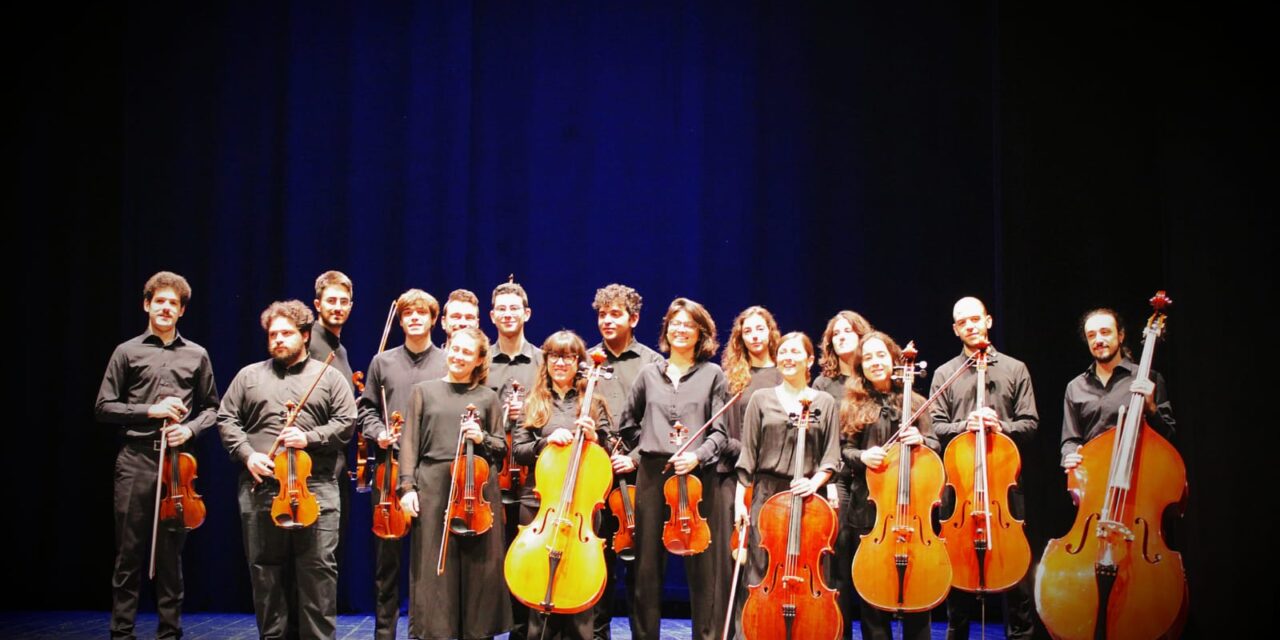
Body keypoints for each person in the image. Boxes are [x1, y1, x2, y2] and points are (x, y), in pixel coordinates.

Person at [217, 300, 357, 639]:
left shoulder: (328, 377)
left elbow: (347, 423)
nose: (278, 339)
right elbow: (226, 419)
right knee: (266, 575)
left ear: (305, 335)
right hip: (262, 489)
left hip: (317, 489)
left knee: (318, 576)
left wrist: (307, 437)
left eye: (286, 333)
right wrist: (247, 454)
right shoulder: (249, 376)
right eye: (273, 334)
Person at [95, 271, 220, 640]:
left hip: (178, 464)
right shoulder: (127, 351)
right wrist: (151, 410)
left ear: (181, 311)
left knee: (170, 556)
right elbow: (103, 406)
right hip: (135, 460)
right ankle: (122, 632)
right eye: (159, 301)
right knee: (129, 553)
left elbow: (212, 408)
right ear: (147, 305)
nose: (166, 308)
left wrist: (190, 428)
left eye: (173, 303)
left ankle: (170, 633)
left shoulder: (197, 354)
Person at [616, 297, 728, 640]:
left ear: (701, 332)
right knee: (647, 570)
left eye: (688, 324)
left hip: (696, 477)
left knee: (702, 572)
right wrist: (649, 445)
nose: (680, 330)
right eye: (674, 323)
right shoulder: (649, 374)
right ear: (666, 329)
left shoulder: (713, 375)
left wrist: (698, 455)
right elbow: (627, 424)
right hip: (653, 475)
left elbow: (720, 433)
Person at [929, 297, 1039, 640]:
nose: (971, 326)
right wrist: (965, 424)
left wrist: (1001, 426)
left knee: (1017, 576)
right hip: (959, 488)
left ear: (988, 321)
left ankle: (1021, 634)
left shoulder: (1014, 369)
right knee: (958, 583)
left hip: (1004, 488)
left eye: (976, 319)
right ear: (955, 329)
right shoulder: (945, 374)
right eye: (963, 322)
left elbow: (1031, 423)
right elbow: (934, 428)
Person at [398, 327, 513, 639]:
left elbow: (502, 448)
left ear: (478, 360)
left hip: (477, 489)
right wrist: (406, 488)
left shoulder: (488, 398)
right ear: (447, 347)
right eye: (455, 348)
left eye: (467, 352)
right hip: (434, 486)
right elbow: (408, 443)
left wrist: (482, 437)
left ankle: (477, 632)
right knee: (436, 570)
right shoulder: (423, 391)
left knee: (480, 569)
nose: (458, 356)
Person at [733, 331, 842, 635]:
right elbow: (747, 457)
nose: (787, 357)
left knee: (808, 570)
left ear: (810, 360)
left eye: (795, 352)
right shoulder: (760, 399)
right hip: (766, 495)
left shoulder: (825, 402)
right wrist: (739, 505)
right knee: (760, 571)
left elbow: (831, 456)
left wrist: (815, 482)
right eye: (782, 351)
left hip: (808, 497)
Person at [510, 330, 614, 640]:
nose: (561, 362)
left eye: (569, 357)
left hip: (582, 506)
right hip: (539, 505)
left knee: (579, 590)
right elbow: (519, 449)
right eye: (554, 355)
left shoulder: (593, 402)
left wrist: (595, 437)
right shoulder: (534, 401)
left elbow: (608, 452)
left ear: (580, 362)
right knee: (538, 587)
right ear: (546, 360)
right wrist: (546, 442)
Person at [356, 289, 447, 640]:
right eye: (407, 313)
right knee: (387, 562)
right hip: (389, 468)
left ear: (433, 319)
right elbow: (365, 409)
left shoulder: (446, 361)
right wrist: (379, 432)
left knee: (427, 563)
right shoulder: (383, 362)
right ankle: (384, 634)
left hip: (431, 470)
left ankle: (423, 633)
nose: (413, 318)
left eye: (421, 313)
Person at [841, 332, 939, 640]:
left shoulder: (918, 403)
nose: (875, 362)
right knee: (873, 597)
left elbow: (936, 443)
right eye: (867, 358)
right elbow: (844, 450)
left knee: (917, 595)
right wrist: (863, 456)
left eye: (880, 355)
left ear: (893, 359)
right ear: (861, 366)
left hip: (913, 514)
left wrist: (922, 440)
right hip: (870, 512)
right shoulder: (854, 405)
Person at [590, 283, 665, 640]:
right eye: (602, 314)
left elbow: (662, 419)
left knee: (642, 571)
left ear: (633, 318)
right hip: (595, 477)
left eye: (615, 314)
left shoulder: (653, 363)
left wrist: (633, 458)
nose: (607, 320)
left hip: (641, 474)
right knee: (598, 565)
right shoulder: (588, 361)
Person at [713, 306, 782, 640]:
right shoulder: (732, 379)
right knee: (736, 558)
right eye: (747, 331)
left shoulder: (786, 374)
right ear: (740, 338)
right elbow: (723, 432)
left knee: (765, 557)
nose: (755, 336)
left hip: (772, 478)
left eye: (760, 329)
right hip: (735, 477)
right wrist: (746, 457)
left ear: (770, 332)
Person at [487, 278, 543, 640]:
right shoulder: (482, 359)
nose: (508, 314)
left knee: (527, 557)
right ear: (492, 316)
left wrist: (529, 413)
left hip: (532, 478)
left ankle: (523, 633)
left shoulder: (542, 361)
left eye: (514, 308)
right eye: (501, 309)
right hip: (487, 476)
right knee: (491, 561)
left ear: (526, 314)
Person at [812, 310, 874, 639]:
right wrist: (833, 481)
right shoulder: (823, 384)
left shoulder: (873, 377)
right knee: (838, 565)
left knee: (867, 564)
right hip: (837, 480)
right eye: (836, 334)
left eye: (848, 331)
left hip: (872, 479)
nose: (842, 337)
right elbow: (822, 439)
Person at [1060, 307, 1175, 468]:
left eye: (1105, 332)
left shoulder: (1149, 378)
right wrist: (1070, 454)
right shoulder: (1075, 387)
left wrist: (1152, 409)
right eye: (1091, 335)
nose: (1098, 340)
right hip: (1094, 477)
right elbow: (1071, 440)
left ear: (1120, 336)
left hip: (1140, 472)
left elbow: (1168, 436)